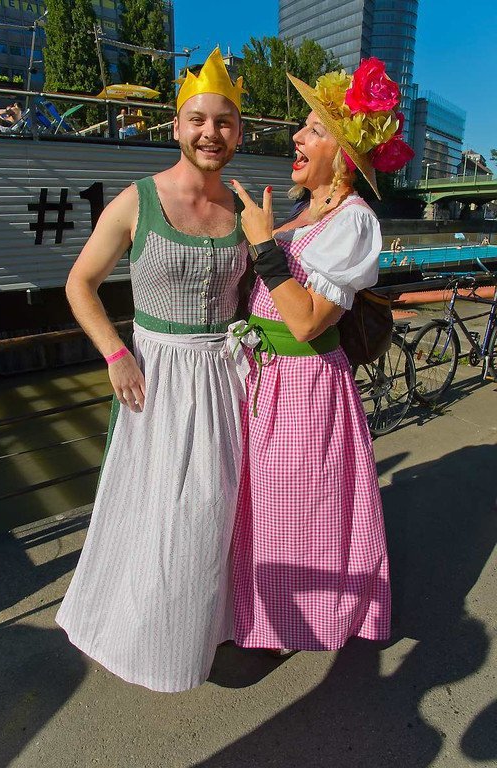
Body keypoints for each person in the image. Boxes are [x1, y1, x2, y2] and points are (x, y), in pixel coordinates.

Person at [56, 48, 250, 692]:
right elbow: (80, 284)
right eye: (198, 120)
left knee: (214, 510)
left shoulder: (243, 212)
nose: (210, 133)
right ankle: (145, 634)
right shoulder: (138, 201)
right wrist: (116, 353)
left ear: (239, 133)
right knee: (156, 509)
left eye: (223, 122)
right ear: (176, 127)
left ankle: (206, 625)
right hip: (156, 377)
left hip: (225, 377)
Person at [230, 58, 414, 655]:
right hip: (268, 379)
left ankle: (298, 624)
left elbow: (307, 321)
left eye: (313, 129)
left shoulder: (354, 221)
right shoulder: (306, 214)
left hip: (305, 387)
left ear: (344, 155)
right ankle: (259, 617)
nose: (297, 136)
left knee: (297, 510)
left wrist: (264, 246)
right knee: (264, 505)